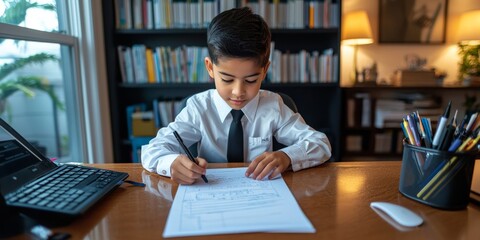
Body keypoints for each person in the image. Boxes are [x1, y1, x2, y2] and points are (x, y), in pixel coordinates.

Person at [141, 7, 331, 184]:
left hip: (261, 197)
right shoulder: (199, 108)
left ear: (264, 71)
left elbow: (320, 144)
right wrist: (171, 163)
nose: (238, 92)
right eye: (227, 79)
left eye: (250, 80)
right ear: (210, 67)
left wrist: (287, 157)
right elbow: (151, 151)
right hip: (210, 198)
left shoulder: (273, 106)